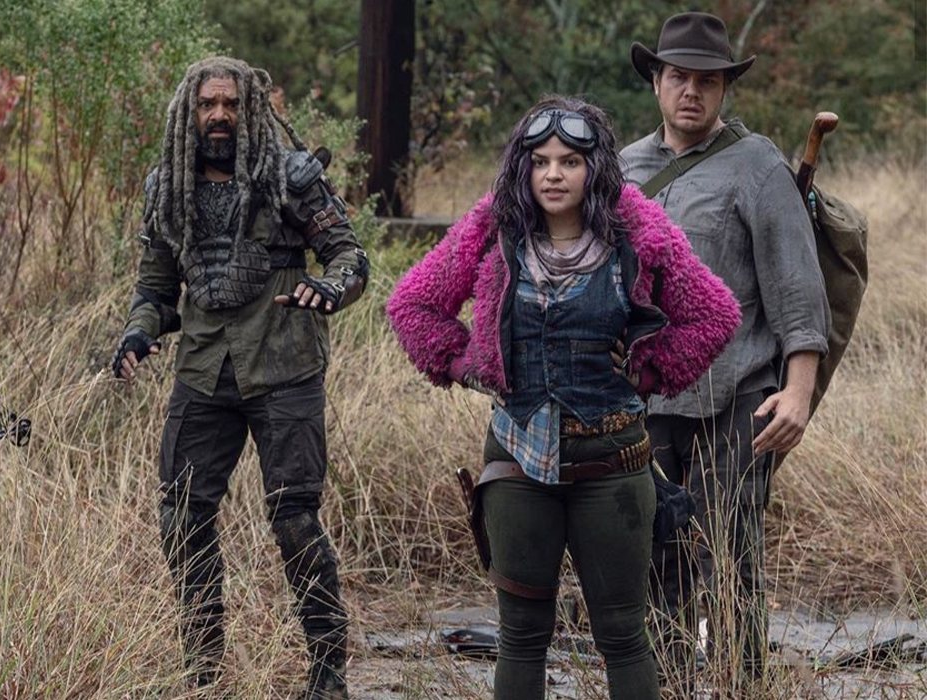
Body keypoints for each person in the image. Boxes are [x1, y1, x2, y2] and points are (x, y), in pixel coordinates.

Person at [386, 96, 740, 700]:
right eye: (540, 161)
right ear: (521, 168)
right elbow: (412, 304)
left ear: (593, 168)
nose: (553, 175)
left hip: (614, 463)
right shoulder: (494, 227)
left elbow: (715, 314)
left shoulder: (638, 231)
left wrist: (651, 368)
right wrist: (467, 365)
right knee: (522, 635)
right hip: (517, 460)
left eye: (570, 161)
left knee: (623, 633)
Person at [111, 56, 368, 698]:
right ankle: (204, 673)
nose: (219, 115)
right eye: (208, 105)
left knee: (295, 517)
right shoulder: (168, 189)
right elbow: (155, 289)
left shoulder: (290, 178)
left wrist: (327, 288)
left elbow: (349, 255)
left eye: (229, 103)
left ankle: (328, 673)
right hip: (203, 370)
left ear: (250, 108)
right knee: (182, 514)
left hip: (285, 365)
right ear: (190, 113)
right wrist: (139, 331)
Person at [620, 12, 831, 693]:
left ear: (724, 89)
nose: (692, 92)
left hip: (739, 392)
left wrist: (798, 391)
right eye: (679, 77)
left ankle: (743, 684)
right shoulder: (619, 170)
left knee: (730, 555)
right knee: (657, 554)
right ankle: (669, 686)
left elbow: (797, 286)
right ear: (656, 82)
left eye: (707, 81)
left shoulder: (759, 166)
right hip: (647, 397)